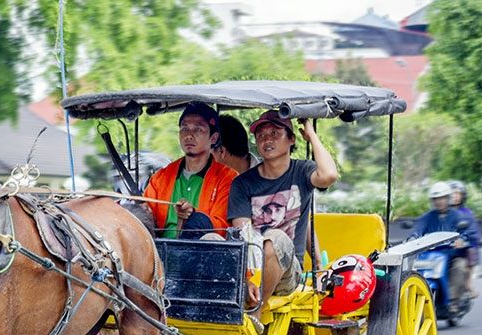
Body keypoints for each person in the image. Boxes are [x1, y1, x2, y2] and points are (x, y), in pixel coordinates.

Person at [227, 111, 338, 308]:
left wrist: (311, 134)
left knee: (275, 237)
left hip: (289, 271)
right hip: (251, 269)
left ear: (291, 139)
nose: (267, 140)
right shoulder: (242, 183)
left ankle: (257, 311)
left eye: (275, 133)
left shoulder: (302, 171)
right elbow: (244, 236)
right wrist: (250, 277)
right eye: (261, 136)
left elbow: (328, 175)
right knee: (210, 241)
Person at [144, 102, 236, 239]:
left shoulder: (227, 178)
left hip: (201, 252)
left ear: (213, 138)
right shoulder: (161, 177)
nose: (189, 135)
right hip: (158, 252)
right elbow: (147, 213)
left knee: (206, 232)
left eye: (198, 129)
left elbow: (222, 227)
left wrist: (193, 215)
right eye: (185, 129)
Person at [413, 181, 470, 309]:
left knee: (459, 266)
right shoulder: (427, 217)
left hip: (450, 256)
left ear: (448, 198)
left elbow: (465, 233)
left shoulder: (457, 216)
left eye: (442, 198)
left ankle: (453, 300)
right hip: (430, 255)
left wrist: (461, 240)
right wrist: (412, 238)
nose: (439, 201)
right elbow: (417, 230)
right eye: (436, 199)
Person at [449, 180, 480, 297]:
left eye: (458, 194)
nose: (455, 196)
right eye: (453, 193)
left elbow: (472, 232)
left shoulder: (467, 213)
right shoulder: (441, 213)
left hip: (460, 248)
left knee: (471, 251)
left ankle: (467, 284)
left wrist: (463, 239)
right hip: (443, 247)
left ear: (462, 196)